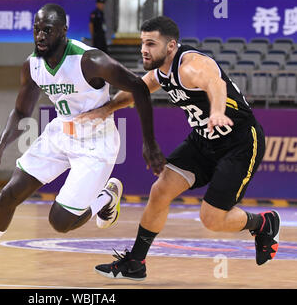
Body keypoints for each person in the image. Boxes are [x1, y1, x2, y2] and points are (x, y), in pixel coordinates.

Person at [0, 3, 164, 279]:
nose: (40, 36)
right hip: (60, 132)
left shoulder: (90, 60)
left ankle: (105, 198)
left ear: (63, 32)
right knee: (10, 193)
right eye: (36, 29)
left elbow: (139, 87)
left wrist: (149, 143)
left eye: (47, 30)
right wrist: (2, 143)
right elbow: (22, 110)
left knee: (60, 221)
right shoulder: (32, 65)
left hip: (96, 143)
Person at [77, 16, 280, 280]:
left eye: (151, 43)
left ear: (171, 46)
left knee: (212, 219)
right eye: (142, 43)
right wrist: (105, 110)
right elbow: (138, 90)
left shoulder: (191, 66)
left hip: (239, 141)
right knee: (160, 190)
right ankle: (136, 263)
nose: (144, 49)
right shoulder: (161, 72)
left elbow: (216, 85)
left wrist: (217, 111)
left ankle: (263, 223)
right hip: (203, 140)